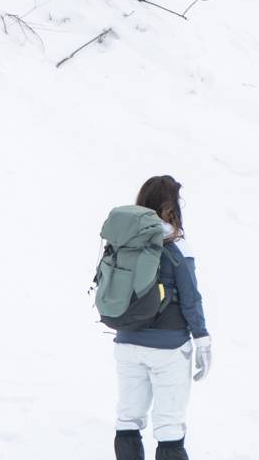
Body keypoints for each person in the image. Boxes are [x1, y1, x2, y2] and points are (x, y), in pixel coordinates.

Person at [112, 176, 210, 460]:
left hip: (126, 343)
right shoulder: (174, 241)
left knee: (128, 419)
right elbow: (190, 297)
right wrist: (202, 339)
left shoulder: (123, 239)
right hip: (169, 348)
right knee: (168, 426)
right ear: (171, 205)